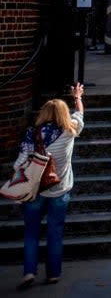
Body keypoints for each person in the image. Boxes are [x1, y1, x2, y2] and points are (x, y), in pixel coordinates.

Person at [16, 84, 85, 289]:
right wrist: (77, 97)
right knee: (55, 232)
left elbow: (19, 163)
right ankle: (53, 273)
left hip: (35, 190)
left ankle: (29, 271)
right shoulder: (69, 131)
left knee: (31, 232)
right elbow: (80, 114)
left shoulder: (32, 134)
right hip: (60, 189)